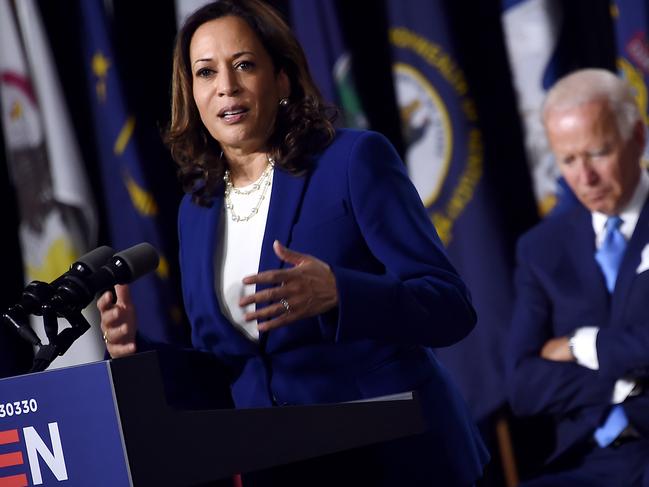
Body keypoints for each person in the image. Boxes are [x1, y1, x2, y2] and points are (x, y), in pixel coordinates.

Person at [98, 1, 488, 485]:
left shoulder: (353, 161)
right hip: (282, 468)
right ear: (192, 94)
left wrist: (341, 293)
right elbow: (229, 371)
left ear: (281, 80)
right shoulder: (196, 211)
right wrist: (139, 351)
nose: (227, 86)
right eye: (206, 72)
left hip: (394, 458)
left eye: (244, 65)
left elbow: (451, 306)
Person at [507, 68, 649, 486]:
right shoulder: (540, 248)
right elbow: (523, 385)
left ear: (638, 138)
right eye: (569, 160)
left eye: (598, 153)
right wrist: (626, 385)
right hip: (588, 459)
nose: (585, 178)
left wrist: (578, 345)